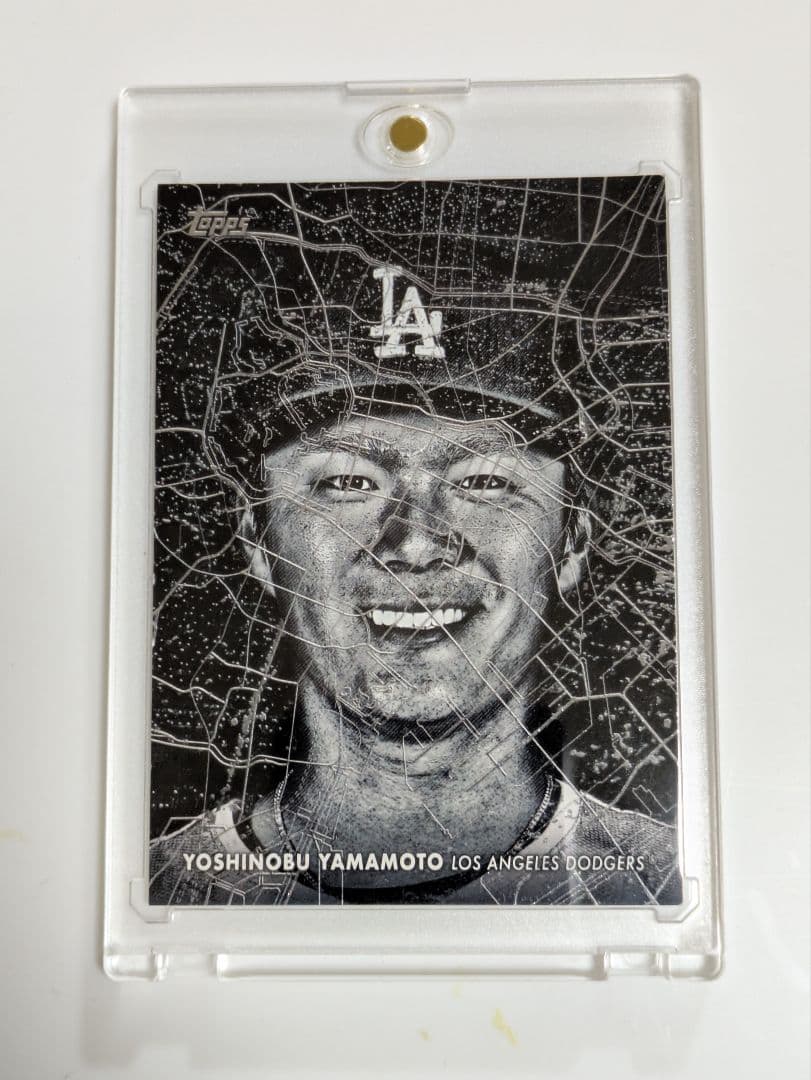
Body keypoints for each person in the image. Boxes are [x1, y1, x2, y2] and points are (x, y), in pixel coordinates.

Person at [150, 253, 682, 907]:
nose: (416, 543)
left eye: (484, 481)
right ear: (257, 540)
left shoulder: (659, 887)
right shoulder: (159, 893)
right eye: (348, 481)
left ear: (571, 542)